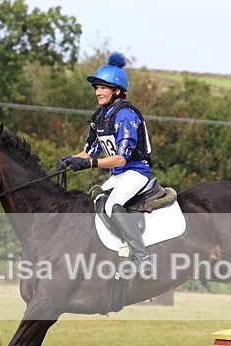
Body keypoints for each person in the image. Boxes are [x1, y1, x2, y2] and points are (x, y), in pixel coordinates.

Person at [56, 52, 154, 276]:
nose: (98, 92)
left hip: (136, 172)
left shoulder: (126, 115)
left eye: (103, 88)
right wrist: (71, 159)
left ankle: (144, 259)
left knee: (112, 205)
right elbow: (89, 151)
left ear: (116, 91)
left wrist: (89, 164)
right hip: (119, 174)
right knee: (93, 204)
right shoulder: (100, 116)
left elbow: (120, 158)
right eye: (96, 88)